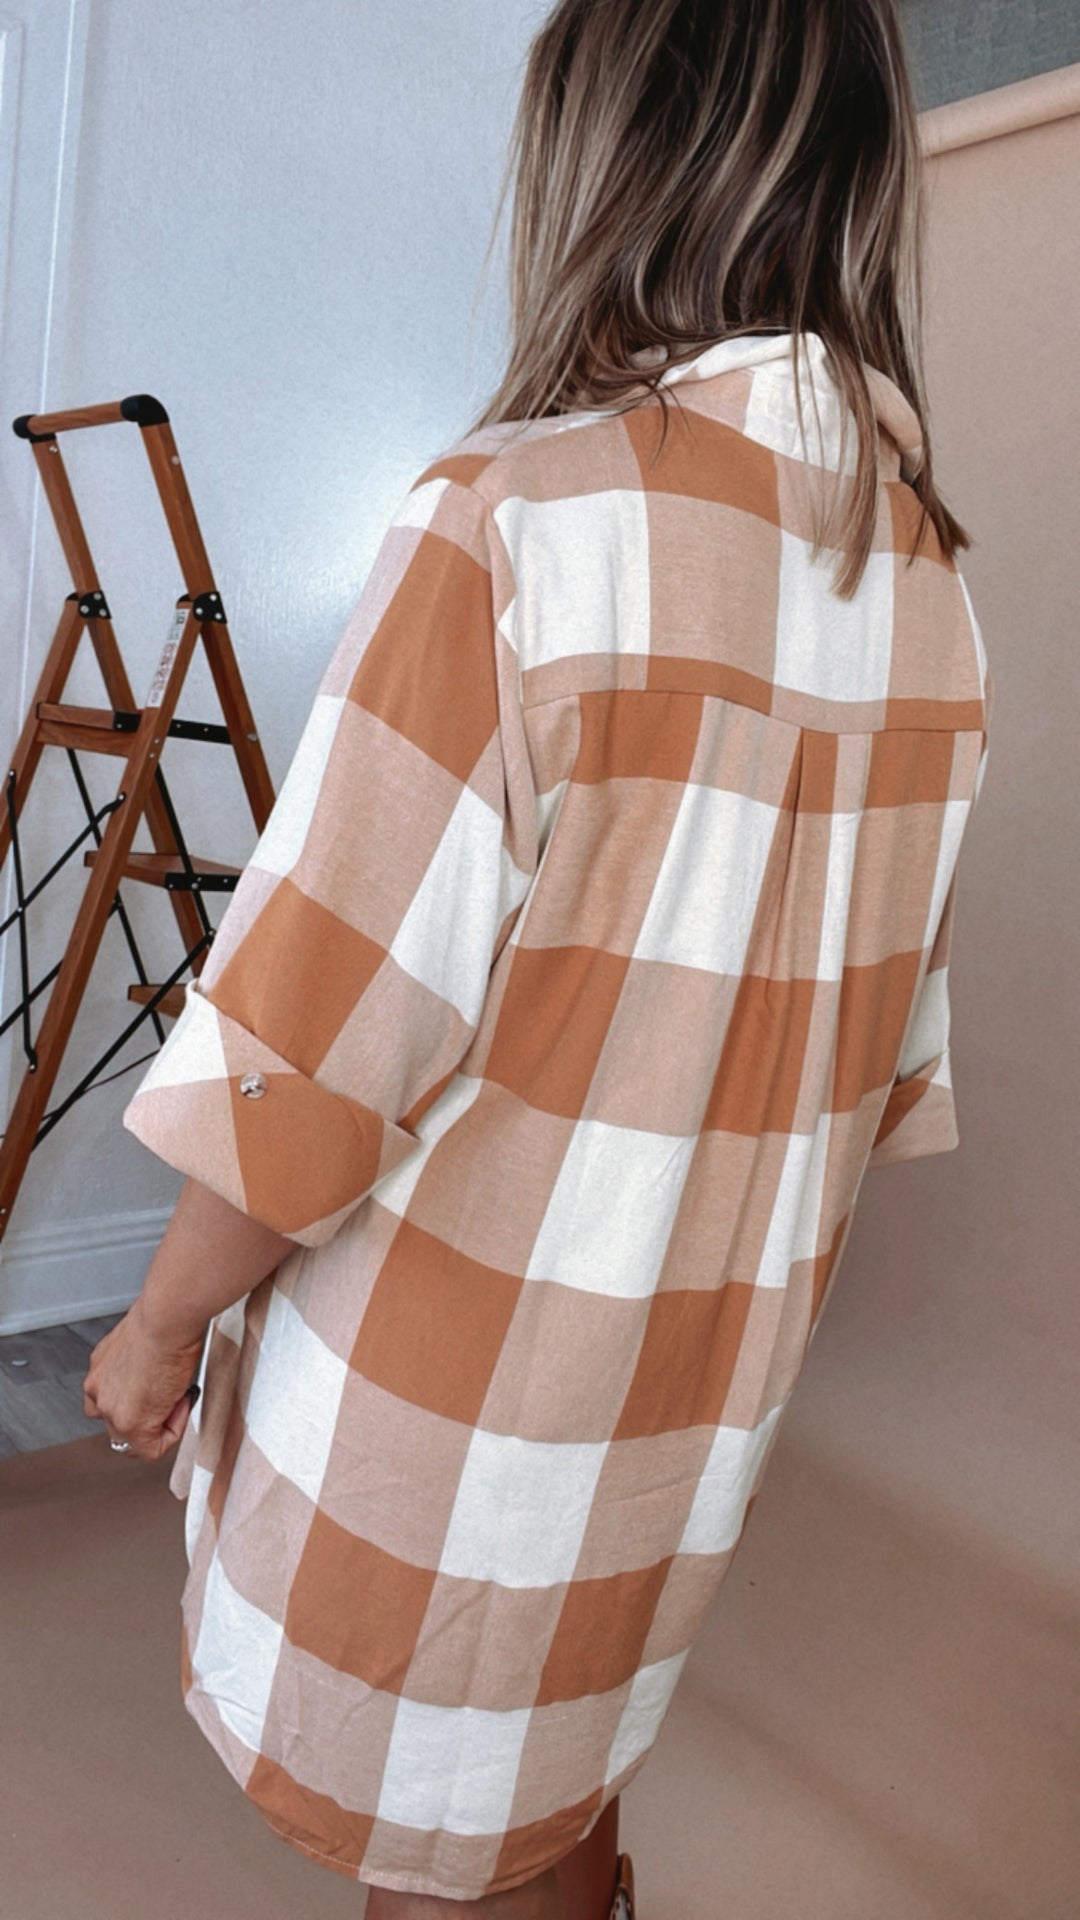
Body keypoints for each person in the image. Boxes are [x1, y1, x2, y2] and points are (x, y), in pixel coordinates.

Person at [82, 1, 994, 1916]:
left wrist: (155, 1331)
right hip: (682, 1414)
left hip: (448, 1419)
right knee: (560, 1782)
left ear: (608, 157)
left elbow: (306, 1062)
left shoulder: (515, 524)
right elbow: (870, 1071)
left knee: (442, 1848)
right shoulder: (929, 594)